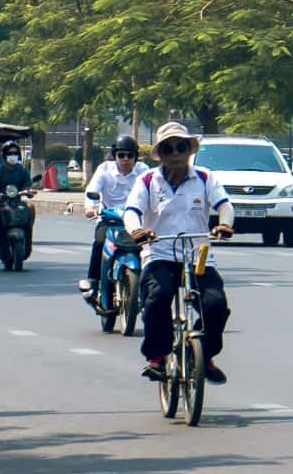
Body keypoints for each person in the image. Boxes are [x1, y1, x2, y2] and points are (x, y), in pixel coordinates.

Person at [123, 122, 234, 384]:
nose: (175, 154)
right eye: (168, 148)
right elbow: (132, 212)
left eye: (181, 147)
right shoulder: (147, 180)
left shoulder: (205, 178)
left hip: (198, 255)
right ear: (160, 153)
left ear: (189, 151)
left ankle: (203, 354)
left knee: (215, 305)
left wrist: (225, 224)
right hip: (159, 253)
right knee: (158, 297)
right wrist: (137, 231)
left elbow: (224, 205)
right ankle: (157, 358)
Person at [79, 136, 149, 300]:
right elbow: (92, 189)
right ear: (115, 155)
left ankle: (149, 284)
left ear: (135, 157)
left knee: (149, 245)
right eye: (121, 155)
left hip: (137, 221)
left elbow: (154, 190)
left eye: (130, 155)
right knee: (99, 242)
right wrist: (90, 207)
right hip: (109, 219)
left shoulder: (143, 171)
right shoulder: (104, 169)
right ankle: (94, 282)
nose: (125, 159)